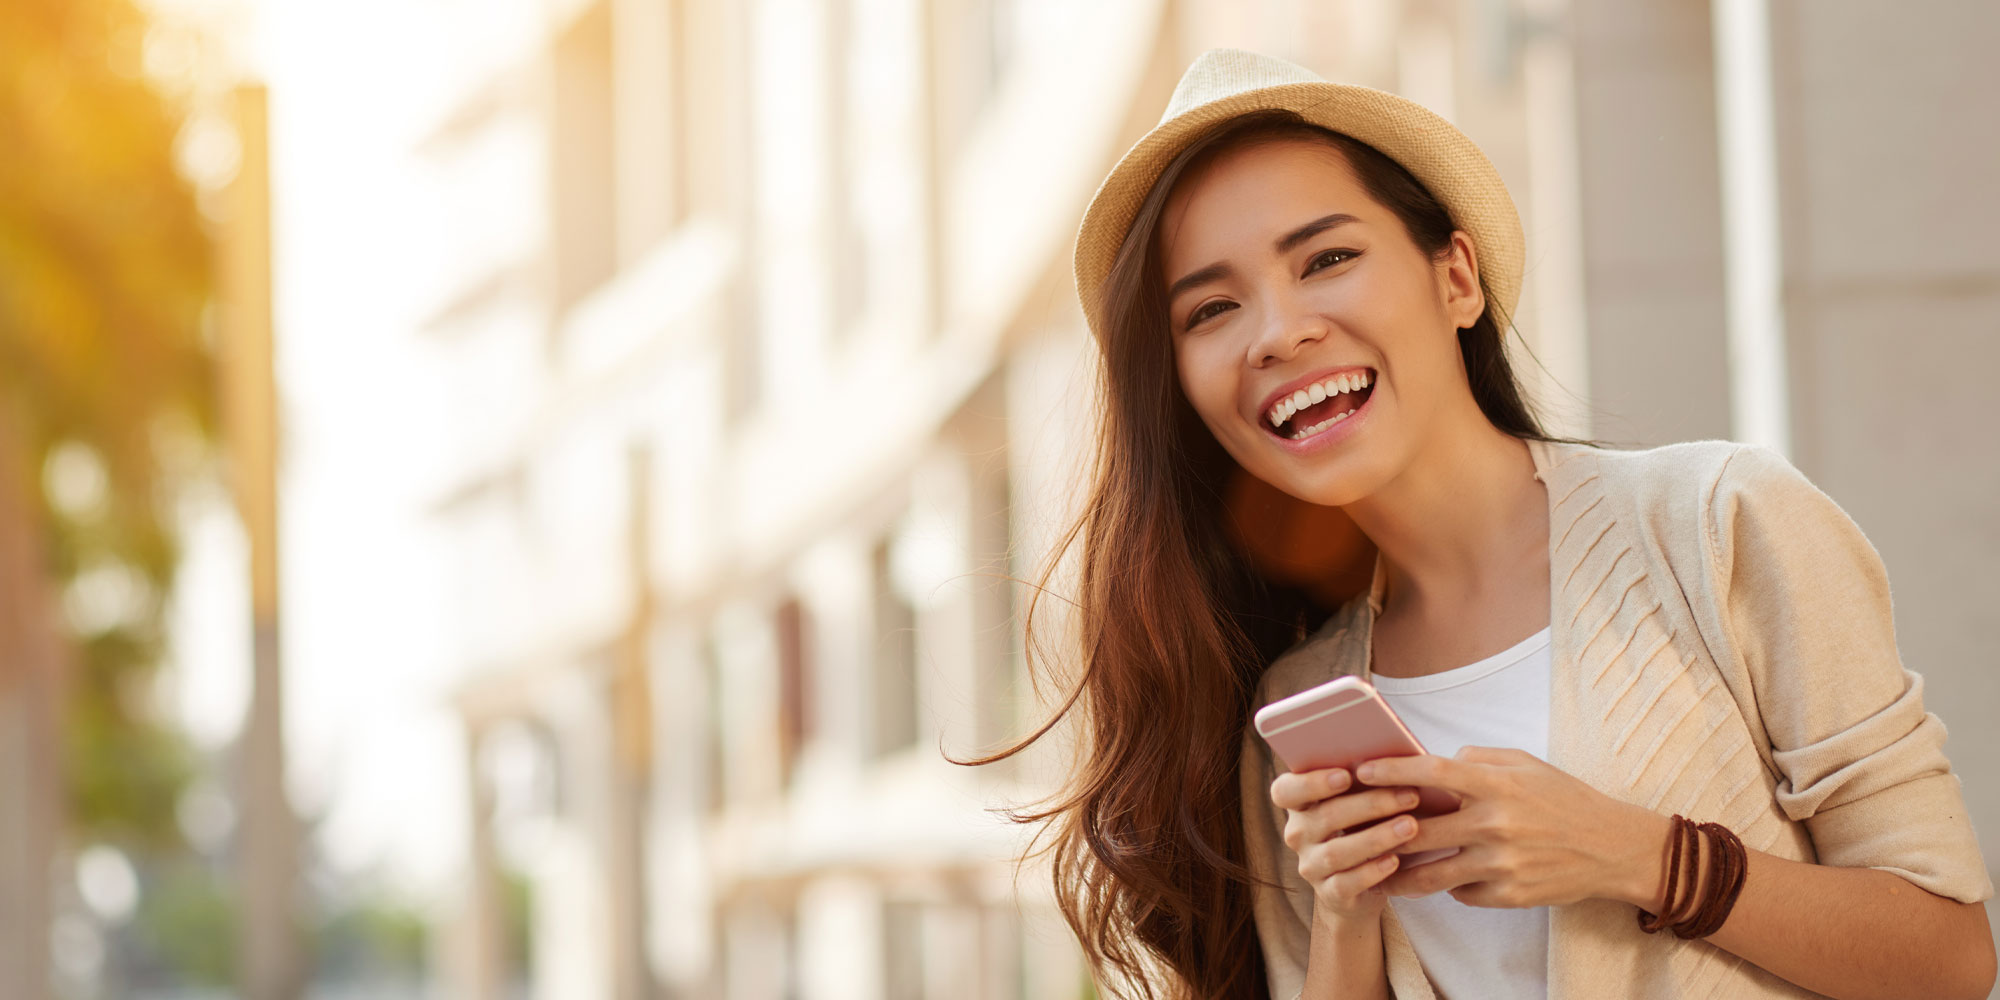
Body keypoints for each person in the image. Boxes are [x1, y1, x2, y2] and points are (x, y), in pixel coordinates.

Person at [977, 48, 1996, 1000]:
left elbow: (1950, 956)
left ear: (1454, 277)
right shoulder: (1294, 709)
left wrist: (1635, 853)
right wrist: (1342, 910)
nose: (1277, 332)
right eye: (1209, 310)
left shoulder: (1722, 526)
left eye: (1325, 257)